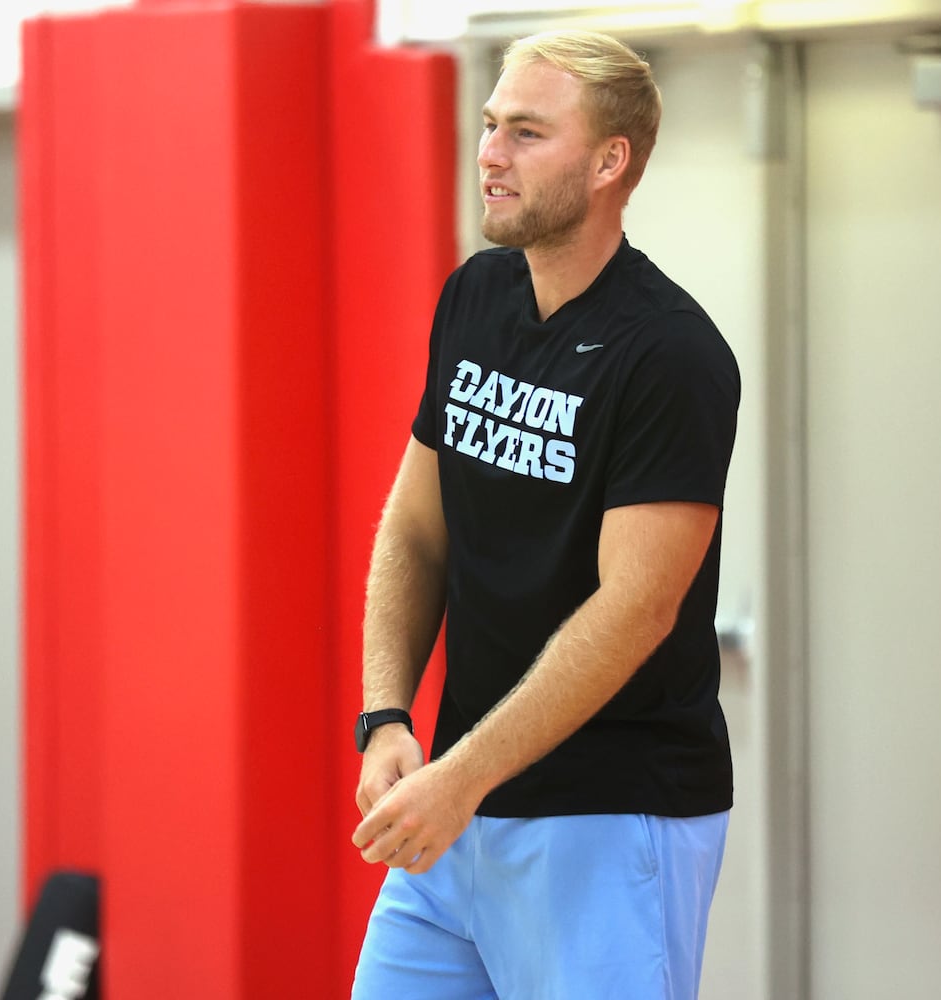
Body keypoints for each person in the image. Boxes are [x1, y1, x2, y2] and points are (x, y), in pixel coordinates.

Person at [349, 28, 741, 1000]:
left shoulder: (670, 355)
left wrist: (463, 773)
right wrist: (388, 715)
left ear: (610, 162)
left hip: (609, 817)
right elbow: (415, 528)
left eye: (526, 132)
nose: (490, 152)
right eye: (489, 126)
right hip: (460, 810)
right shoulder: (476, 296)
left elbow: (635, 610)